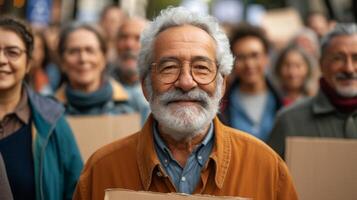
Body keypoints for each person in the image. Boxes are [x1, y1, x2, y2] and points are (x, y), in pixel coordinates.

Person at [73, 7, 297, 200]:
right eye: (169, 67)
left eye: (201, 67)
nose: (186, 82)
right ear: (145, 85)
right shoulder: (101, 170)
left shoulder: (266, 167)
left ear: (221, 85)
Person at [0, 17, 83, 200]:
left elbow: (77, 189)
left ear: (28, 63)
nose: (1, 60)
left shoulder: (51, 119)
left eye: (12, 52)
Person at [268, 23, 357, 158]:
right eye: (338, 58)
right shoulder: (290, 121)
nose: (349, 69)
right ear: (321, 64)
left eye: (356, 58)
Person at [55, 23, 134, 115]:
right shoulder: (46, 111)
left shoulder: (131, 105)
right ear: (62, 62)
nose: (83, 59)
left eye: (90, 50)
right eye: (74, 51)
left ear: (104, 58)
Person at [220, 24, 282, 142]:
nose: (249, 64)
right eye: (241, 57)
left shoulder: (284, 101)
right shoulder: (221, 104)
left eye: (255, 55)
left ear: (266, 58)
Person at [109, 17, 150, 124]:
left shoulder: (163, 88)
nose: (129, 45)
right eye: (123, 37)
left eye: (138, 38)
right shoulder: (98, 84)